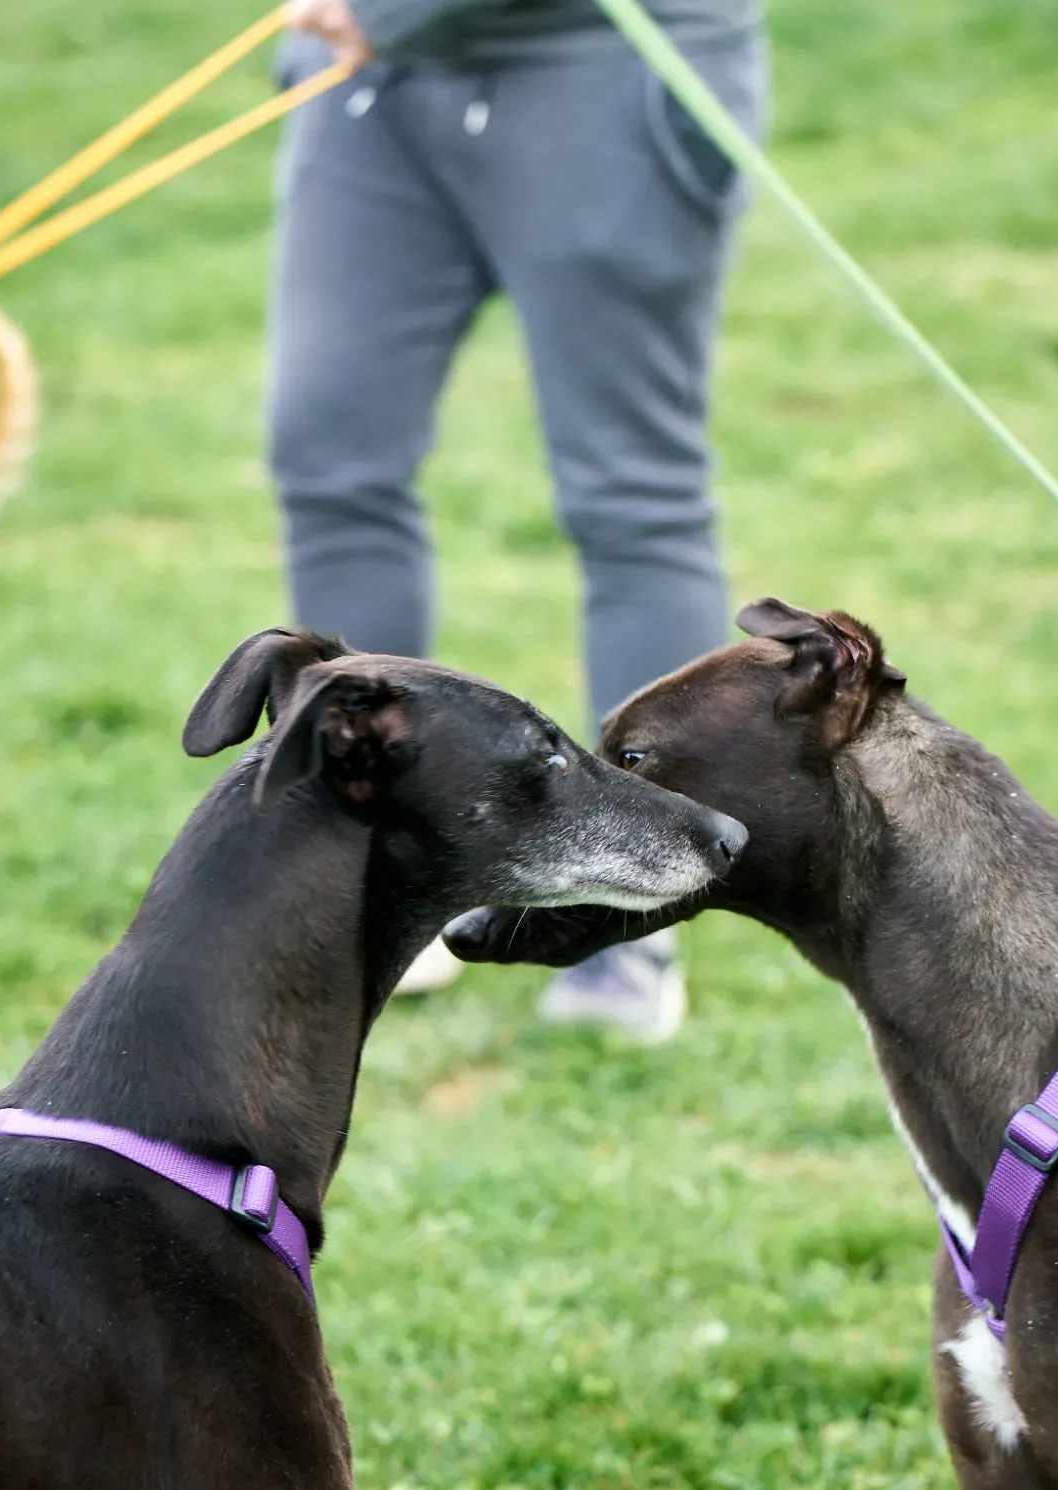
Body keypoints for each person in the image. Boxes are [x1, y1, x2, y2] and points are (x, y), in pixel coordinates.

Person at [269, 0, 766, 1041]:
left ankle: (632, 924)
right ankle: (376, 867)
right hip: (369, 75)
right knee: (329, 455)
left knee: (628, 490)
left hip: (592, 59)